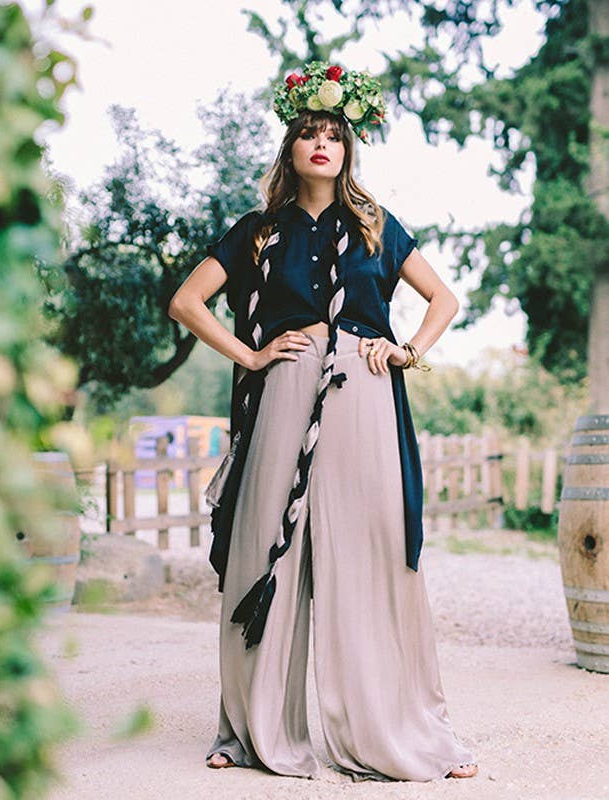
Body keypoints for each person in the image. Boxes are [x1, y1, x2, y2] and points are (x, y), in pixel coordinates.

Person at [168, 60, 478, 783]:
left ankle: (393, 729)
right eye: (309, 134)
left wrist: (408, 352)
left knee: (371, 554)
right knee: (261, 549)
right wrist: (251, 354)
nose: (321, 145)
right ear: (291, 147)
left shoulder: (375, 226)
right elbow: (186, 301)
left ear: (348, 149)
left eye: (333, 135)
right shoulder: (258, 232)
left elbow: (444, 300)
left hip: (363, 393)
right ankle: (247, 731)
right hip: (285, 386)